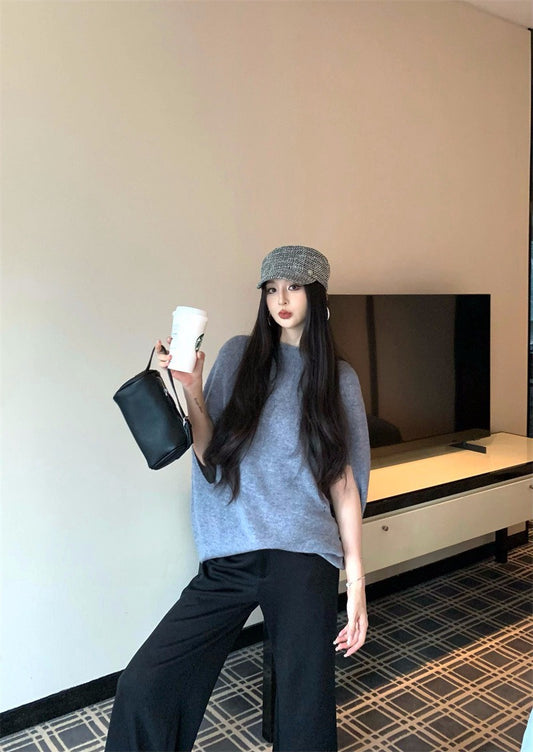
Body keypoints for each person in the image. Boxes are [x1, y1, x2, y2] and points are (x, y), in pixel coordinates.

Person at [105, 245, 371, 752]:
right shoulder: (237, 356)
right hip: (232, 551)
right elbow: (211, 456)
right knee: (144, 684)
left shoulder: (339, 379)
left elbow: (345, 484)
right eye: (272, 289)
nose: (281, 300)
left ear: (316, 294)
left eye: (294, 287)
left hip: (304, 555)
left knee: (304, 710)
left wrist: (355, 581)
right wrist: (192, 387)